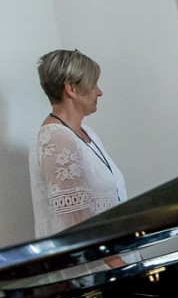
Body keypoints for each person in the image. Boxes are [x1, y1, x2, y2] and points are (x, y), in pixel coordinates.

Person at [30, 49, 127, 237]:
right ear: (71, 89)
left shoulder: (87, 133)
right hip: (95, 255)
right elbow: (77, 227)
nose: (99, 92)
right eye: (93, 84)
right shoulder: (57, 138)